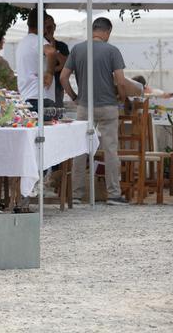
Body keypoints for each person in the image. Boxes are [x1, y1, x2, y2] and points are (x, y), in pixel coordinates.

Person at [60, 17, 128, 205]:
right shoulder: (112, 50)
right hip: (108, 106)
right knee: (110, 150)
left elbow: (63, 77)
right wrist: (121, 98)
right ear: (107, 32)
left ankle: (76, 194)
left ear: (93, 30)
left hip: (84, 107)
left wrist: (74, 97)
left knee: (80, 150)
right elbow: (121, 81)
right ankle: (113, 194)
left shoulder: (77, 49)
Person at [15, 8, 57, 112]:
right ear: (43, 23)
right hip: (40, 96)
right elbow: (51, 52)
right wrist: (50, 74)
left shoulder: (22, 43)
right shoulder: (37, 40)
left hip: (26, 96)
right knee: (46, 127)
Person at [45, 14, 70, 108]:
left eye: (50, 27)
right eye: (46, 27)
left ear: (54, 27)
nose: (48, 30)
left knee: (57, 113)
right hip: (44, 86)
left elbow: (66, 64)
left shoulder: (62, 46)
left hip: (58, 87)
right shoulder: (38, 45)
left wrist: (53, 47)